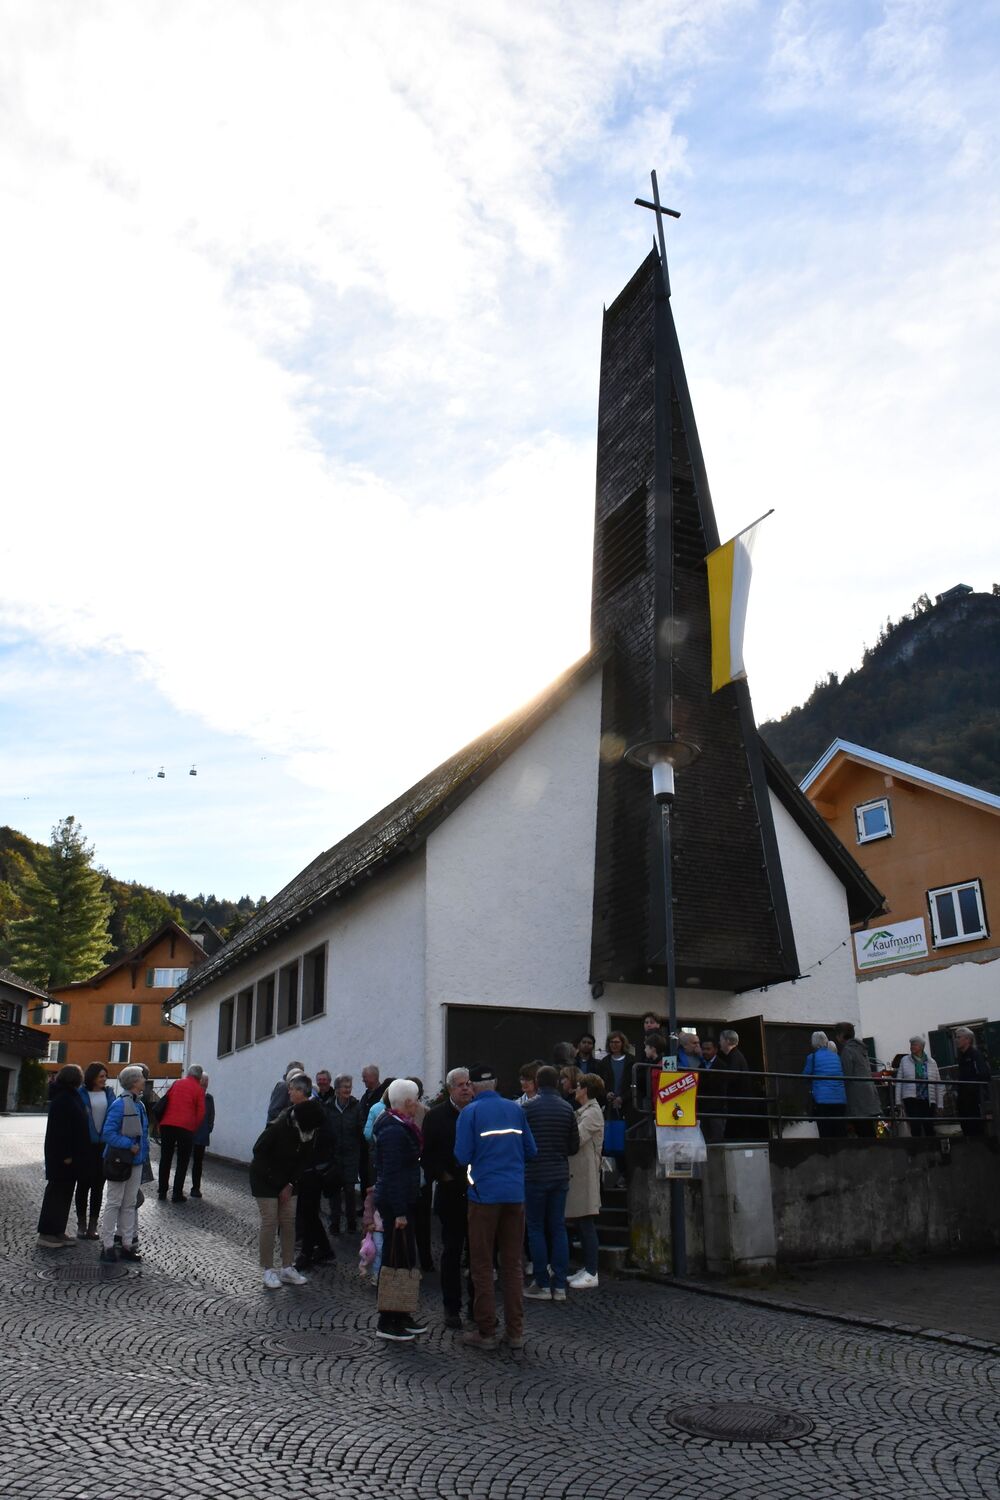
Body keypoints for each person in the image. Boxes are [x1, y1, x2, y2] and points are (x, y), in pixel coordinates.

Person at [454, 1062, 538, 1352]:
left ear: (473, 1086)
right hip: (515, 1194)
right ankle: (515, 1331)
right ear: (497, 1084)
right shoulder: (516, 1110)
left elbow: (461, 1155)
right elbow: (531, 1150)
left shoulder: (470, 1113)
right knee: (513, 1265)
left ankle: (486, 1330)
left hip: (484, 1195)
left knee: (482, 1264)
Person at [372, 1078, 428, 1342]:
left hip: (401, 1200)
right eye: (415, 1100)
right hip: (397, 1203)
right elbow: (393, 1173)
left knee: (404, 1258)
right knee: (394, 1259)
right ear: (407, 1102)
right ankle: (387, 1319)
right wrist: (400, 1212)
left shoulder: (397, 1125)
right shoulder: (394, 1131)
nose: (417, 1105)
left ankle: (401, 1312)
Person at [250, 1096, 325, 1289]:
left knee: (288, 1222)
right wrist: (278, 1184)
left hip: (289, 1180)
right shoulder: (278, 1127)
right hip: (264, 1178)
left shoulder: (310, 1130)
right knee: (270, 1221)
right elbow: (258, 1152)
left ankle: (287, 1267)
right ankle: (268, 1270)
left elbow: (304, 1159)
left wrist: (290, 1184)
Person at [421, 1067, 475, 1329]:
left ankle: (476, 1307)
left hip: (477, 1194)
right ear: (450, 1089)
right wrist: (442, 1175)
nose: (465, 1088)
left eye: (468, 1084)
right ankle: (451, 1307)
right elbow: (427, 1154)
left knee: (477, 1254)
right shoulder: (436, 1116)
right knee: (452, 1251)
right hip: (451, 1192)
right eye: (460, 1084)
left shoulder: (477, 1112)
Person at [522, 1064, 580, 1302]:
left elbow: (521, 1143)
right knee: (558, 1227)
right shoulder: (567, 1108)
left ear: (537, 1082)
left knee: (535, 1227)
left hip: (535, 1174)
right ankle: (560, 1285)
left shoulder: (528, 1109)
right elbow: (574, 1146)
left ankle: (542, 1283)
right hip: (559, 1174)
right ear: (557, 1083)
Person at [99, 1064, 150, 1262]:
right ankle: (108, 1245)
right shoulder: (120, 1104)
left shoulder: (139, 1104)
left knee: (129, 1203)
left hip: (135, 1161)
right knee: (114, 1202)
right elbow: (108, 1133)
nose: (144, 1080)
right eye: (142, 1077)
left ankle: (127, 1244)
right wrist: (129, 1145)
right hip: (120, 1161)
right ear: (134, 1081)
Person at [37, 1064, 89, 1249]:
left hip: (71, 1156)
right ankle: (46, 1233)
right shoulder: (63, 1099)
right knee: (56, 1194)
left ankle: (58, 1230)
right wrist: (66, 1155)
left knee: (65, 1194)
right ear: (75, 1079)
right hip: (62, 1157)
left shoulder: (70, 1096)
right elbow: (60, 1131)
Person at [566, 1073, 605, 1289]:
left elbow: (577, 1138)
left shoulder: (593, 1113)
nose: (575, 1089)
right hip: (580, 1173)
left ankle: (592, 1271)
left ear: (586, 1090)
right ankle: (588, 1268)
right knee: (582, 1222)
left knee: (586, 1222)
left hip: (586, 1174)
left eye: (579, 1086)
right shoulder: (585, 1111)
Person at [75, 1062, 115, 1238]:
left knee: (98, 1186)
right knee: (83, 1185)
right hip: (85, 1145)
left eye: (106, 1076)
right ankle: (81, 1224)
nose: (104, 1079)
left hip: (103, 1146)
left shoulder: (109, 1094)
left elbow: (114, 1116)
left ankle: (93, 1224)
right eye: (101, 1076)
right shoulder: (81, 1093)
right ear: (92, 1077)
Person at [157, 1064, 206, 1202]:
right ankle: (177, 1194)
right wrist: (193, 1127)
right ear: (200, 1077)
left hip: (167, 1125)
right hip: (185, 1128)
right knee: (182, 1161)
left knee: (165, 1158)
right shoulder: (198, 1089)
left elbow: (166, 1100)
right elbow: (201, 1113)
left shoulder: (177, 1083)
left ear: (188, 1073)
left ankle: (162, 1191)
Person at [323, 1074, 364, 1234]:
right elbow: (324, 1130)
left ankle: (351, 1222)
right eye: (345, 1087)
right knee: (334, 1192)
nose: (348, 1090)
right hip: (333, 1157)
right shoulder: (328, 1107)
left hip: (351, 1155)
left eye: (349, 1086)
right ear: (337, 1089)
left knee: (349, 1190)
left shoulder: (356, 1106)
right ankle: (334, 1223)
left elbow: (361, 1128)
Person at [833, 1023, 881, 1139]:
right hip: (869, 1094)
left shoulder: (848, 1050)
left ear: (841, 1035)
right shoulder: (860, 1048)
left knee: (862, 1130)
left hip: (857, 1097)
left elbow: (847, 1074)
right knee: (869, 1130)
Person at [598, 1032, 633, 1179]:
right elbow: (600, 1083)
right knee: (613, 1138)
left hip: (628, 1105)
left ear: (623, 1043)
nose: (614, 1045)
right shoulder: (604, 1062)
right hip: (610, 1106)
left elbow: (635, 1084)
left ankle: (627, 1173)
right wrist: (606, 1094)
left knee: (627, 1138)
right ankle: (616, 1173)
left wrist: (622, 1098)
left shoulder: (631, 1061)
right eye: (611, 1042)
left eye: (617, 1042)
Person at [894, 1036, 942, 1137]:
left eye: (914, 1045)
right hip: (911, 1099)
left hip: (928, 1100)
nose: (912, 1047)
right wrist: (898, 1101)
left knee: (929, 1127)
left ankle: (931, 1146)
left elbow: (938, 1083)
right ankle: (917, 1146)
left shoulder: (932, 1062)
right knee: (915, 1127)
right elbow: (899, 1081)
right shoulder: (904, 1061)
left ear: (921, 1047)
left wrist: (940, 1103)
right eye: (911, 1045)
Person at [803, 1032, 847, 1138]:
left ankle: (828, 1149)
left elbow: (805, 1076)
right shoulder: (836, 1057)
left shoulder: (812, 1057)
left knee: (825, 1133)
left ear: (813, 1043)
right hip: (840, 1099)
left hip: (822, 1100)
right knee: (839, 1133)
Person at [954, 1027, 991, 1137]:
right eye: (956, 1037)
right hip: (964, 1097)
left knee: (976, 1127)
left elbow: (983, 1075)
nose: (956, 1040)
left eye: (959, 1037)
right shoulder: (961, 1056)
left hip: (974, 1098)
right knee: (966, 1125)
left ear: (967, 1040)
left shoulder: (975, 1055)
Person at [718, 1029, 753, 1140]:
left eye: (721, 1040)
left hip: (738, 1101)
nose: (719, 1043)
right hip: (739, 1100)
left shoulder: (734, 1057)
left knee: (736, 1131)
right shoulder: (735, 1055)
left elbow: (730, 1076)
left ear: (727, 1041)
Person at [697, 1038, 727, 1145]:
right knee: (704, 1139)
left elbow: (720, 1087)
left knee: (716, 1139)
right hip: (704, 1108)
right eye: (703, 1049)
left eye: (708, 1049)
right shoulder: (701, 1065)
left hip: (716, 1108)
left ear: (715, 1050)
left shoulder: (721, 1066)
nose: (705, 1051)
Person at [190, 1073, 215, 1197]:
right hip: (191, 1133)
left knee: (198, 1162)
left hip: (202, 1134)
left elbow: (211, 1115)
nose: (205, 1082)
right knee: (185, 1161)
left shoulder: (209, 1098)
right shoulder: (192, 1096)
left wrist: (209, 1128)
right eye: (203, 1080)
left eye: (207, 1080)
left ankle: (196, 1187)